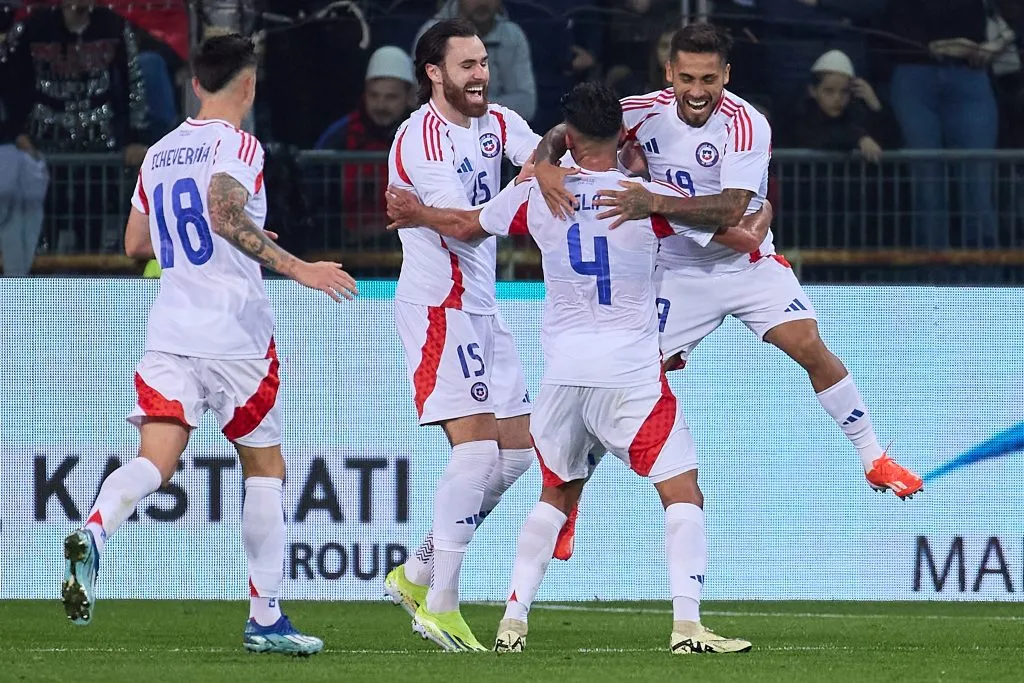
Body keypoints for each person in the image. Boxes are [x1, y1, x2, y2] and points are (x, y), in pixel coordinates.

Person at [385, 82, 768, 654]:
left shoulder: (538, 192)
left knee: (555, 493)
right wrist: (761, 216)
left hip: (563, 375)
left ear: (568, 134)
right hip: (630, 375)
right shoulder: (646, 197)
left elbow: (465, 226)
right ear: (623, 132)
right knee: (682, 491)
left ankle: (512, 623)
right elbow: (739, 238)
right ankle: (687, 627)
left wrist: (418, 213)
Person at [534, 23, 923, 555]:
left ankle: (873, 457)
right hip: (675, 268)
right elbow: (571, 130)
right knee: (622, 383)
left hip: (744, 263)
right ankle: (567, 502)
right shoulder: (641, 111)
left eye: (709, 79)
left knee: (808, 344)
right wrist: (543, 164)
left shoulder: (746, 124)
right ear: (670, 73)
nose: (698, 91)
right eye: (687, 78)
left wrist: (654, 201)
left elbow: (732, 209)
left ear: (727, 75)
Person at [59, 34, 358, 655]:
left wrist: (241, 234)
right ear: (249, 85)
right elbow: (222, 213)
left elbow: (136, 243)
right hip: (236, 335)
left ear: (195, 84)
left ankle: (96, 529)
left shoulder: (160, 152)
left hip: (171, 333)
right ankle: (266, 619)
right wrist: (299, 267)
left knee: (155, 462)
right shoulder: (238, 144)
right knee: (265, 470)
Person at [381, 18, 540, 652]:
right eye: (467, 65)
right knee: (475, 453)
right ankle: (441, 604)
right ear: (434, 73)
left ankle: (418, 570)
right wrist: (527, 184)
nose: (481, 75)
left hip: (483, 306)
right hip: (438, 306)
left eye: (483, 63)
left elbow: (542, 158)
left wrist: (554, 162)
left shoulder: (497, 122)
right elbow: (468, 226)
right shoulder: (419, 138)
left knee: (517, 454)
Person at [313, 46, 416, 247]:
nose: (381, 105)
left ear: (408, 97)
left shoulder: (421, 133)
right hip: (347, 242)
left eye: (391, 97)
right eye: (374, 96)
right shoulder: (341, 134)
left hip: (408, 243)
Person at [415, 0, 537, 121]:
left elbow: (526, 105)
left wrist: (466, 103)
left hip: (501, 128)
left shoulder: (513, 36)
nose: (483, 2)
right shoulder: (431, 33)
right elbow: (422, 99)